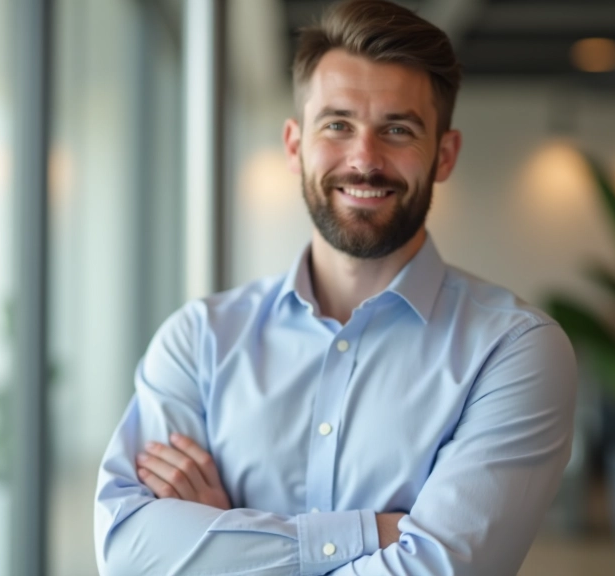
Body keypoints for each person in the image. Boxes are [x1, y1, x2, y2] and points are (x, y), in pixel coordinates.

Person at [94, 1, 577, 573]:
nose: (364, 160)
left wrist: (224, 543)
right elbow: (129, 555)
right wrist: (371, 533)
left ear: (443, 155)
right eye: (338, 125)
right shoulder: (199, 339)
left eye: (397, 129)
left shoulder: (514, 350)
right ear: (295, 144)